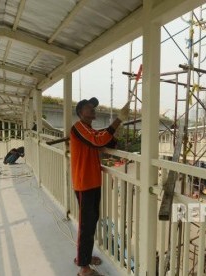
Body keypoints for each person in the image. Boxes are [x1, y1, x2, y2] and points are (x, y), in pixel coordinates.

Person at [71, 97, 129, 276]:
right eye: (89, 108)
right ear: (81, 112)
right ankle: (83, 267)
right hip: (84, 183)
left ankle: (84, 258)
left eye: (93, 107)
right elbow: (97, 141)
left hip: (93, 182)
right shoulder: (78, 127)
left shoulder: (89, 130)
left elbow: (105, 141)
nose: (93, 110)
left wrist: (114, 132)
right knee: (86, 225)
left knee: (91, 222)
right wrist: (118, 120)